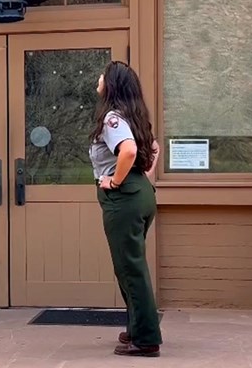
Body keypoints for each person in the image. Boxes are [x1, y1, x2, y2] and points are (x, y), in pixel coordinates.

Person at [89, 60, 162, 358]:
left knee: (130, 268)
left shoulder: (112, 119)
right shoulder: (135, 115)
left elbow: (129, 150)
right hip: (141, 194)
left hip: (125, 199)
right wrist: (141, 176)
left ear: (112, 84)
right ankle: (136, 327)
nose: (99, 79)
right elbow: (154, 148)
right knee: (129, 265)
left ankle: (146, 339)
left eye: (102, 76)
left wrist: (116, 181)